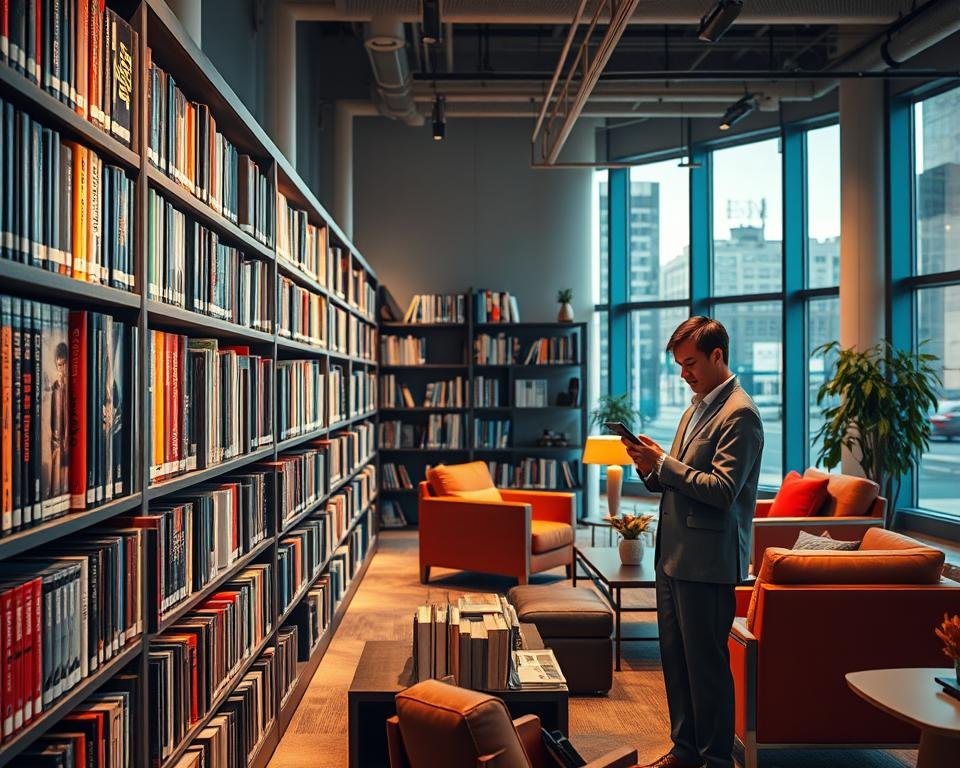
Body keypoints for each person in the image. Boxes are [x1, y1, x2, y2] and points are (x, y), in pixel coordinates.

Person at [622, 316, 763, 768]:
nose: (684, 374)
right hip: (673, 557)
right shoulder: (695, 407)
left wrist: (664, 464)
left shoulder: (740, 412)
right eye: (680, 365)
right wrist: (649, 464)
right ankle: (684, 751)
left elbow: (723, 490)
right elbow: (675, 482)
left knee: (706, 668)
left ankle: (715, 759)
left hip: (707, 561)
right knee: (676, 661)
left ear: (717, 356)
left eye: (690, 363)